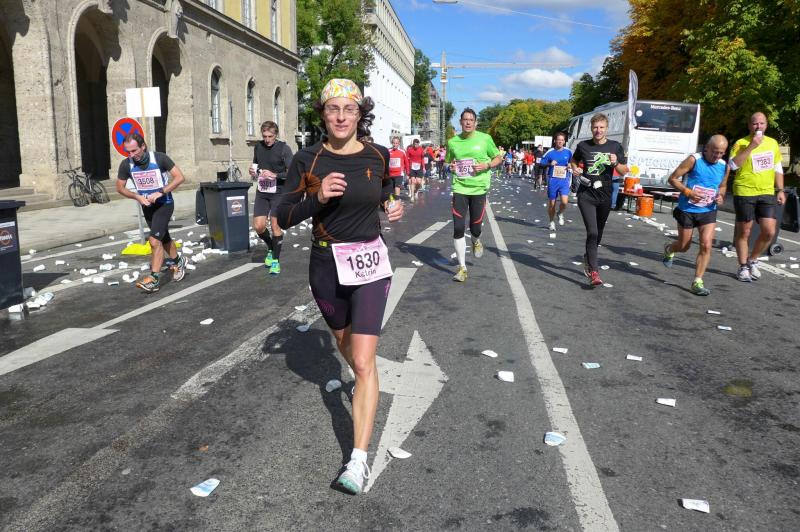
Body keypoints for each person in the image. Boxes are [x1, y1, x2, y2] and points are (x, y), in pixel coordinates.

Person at [275, 79, 403, 495]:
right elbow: (282, 216)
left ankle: (358, 460)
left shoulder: (378, 154)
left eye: (349, 109)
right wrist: (319, 198)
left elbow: (385, 190)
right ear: (323, 113)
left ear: (360, 113)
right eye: (333, 108)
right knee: (348, 349)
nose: (341, 116)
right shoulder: (307, 159)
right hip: (326, 266)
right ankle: (366, 383)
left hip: (369, 264)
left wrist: (391, 204)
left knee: (363, 361)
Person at [116, 133, 187, 293]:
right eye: (128, 151)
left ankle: (154, 279)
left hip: (164, 204)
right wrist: (137, 197)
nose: (131, 155)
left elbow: (179, 178)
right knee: (163, 238)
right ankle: (179, 261)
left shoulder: (159, 158)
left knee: (154, 241)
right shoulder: (126, 164)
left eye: (134, 150)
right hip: (147, 207)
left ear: (143, 146)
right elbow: (119, 187)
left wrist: (161, 192)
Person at [662, 135, 729, 295]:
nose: (717, 156)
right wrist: (688, 192)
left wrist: (720, 196)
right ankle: (670, 249)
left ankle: (697, 282)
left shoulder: (724, 166)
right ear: (706, 148)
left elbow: (722, 186)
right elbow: (673, 179)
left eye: (721, 153)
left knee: (706, 245)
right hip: (687, 209)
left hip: (708, 210)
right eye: (715, 152)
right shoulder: (694, 160)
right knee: (684, 246)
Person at [570, 113, 629, 286]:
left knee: (599, 233)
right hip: (586, 194)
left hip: (605, 195)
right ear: (591, 128)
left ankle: (588, 257)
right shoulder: (583, 146)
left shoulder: (615, 146)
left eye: (601, 127)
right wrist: (575, 169)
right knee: (593, 232)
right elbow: (573, 161)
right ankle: (594, 272)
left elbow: (624, 171)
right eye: (595, 127)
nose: (598, 130)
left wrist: (615, 163)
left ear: (606, 129)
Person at [729, 112, 786, 282]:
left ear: (766, 125)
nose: (758, 126)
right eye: (755, 123)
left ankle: (753, 260)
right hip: (745, 191)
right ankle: (743, 267)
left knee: (769, 231)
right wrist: (751, 146)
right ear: (749, 125)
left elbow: (777, 168)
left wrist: (780, 190)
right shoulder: (741, 143)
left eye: (762, 123)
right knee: (744, 231)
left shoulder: (772, 143)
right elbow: (733, 165)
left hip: (766, 191)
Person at [446, 108, 502, 282]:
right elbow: (448, 162)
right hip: (460, 188)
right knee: (458, 227)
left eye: (471, 119)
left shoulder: (485, 139)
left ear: (475, 123)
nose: (468, 122)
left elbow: (498, 158)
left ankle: (476, 240)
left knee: (475, 227)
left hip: (479, 189)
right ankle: (462, 268)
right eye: (465, 119)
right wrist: (450, 167)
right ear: (460, 122)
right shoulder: (453, 142)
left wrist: (486, 165)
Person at [249, 120, 294, 275]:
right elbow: (255, 165)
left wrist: (275, 175)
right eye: (265, 136)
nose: (267, 139)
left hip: (279, 192)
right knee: (259, 226)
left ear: (276, 135)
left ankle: (275, 260)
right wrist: (253, 171)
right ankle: (270, 247)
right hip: (262, 191)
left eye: (270, 136)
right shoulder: (258, 147)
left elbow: (292, 172)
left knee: (275, 226)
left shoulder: (284, 149)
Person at [540, 132, 573, 231]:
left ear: (564, 141)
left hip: (564, 179)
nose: (560, 142)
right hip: (553, 180)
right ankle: (551, 222)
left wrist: (570, 165)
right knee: (552, 203)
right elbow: (541, 163)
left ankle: (560, 213)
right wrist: (550, 163)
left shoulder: (568, 152)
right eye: (558, 140)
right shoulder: (550, 152)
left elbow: (573, 162)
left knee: (564, 202)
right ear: (555, 141)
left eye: (562, 140)